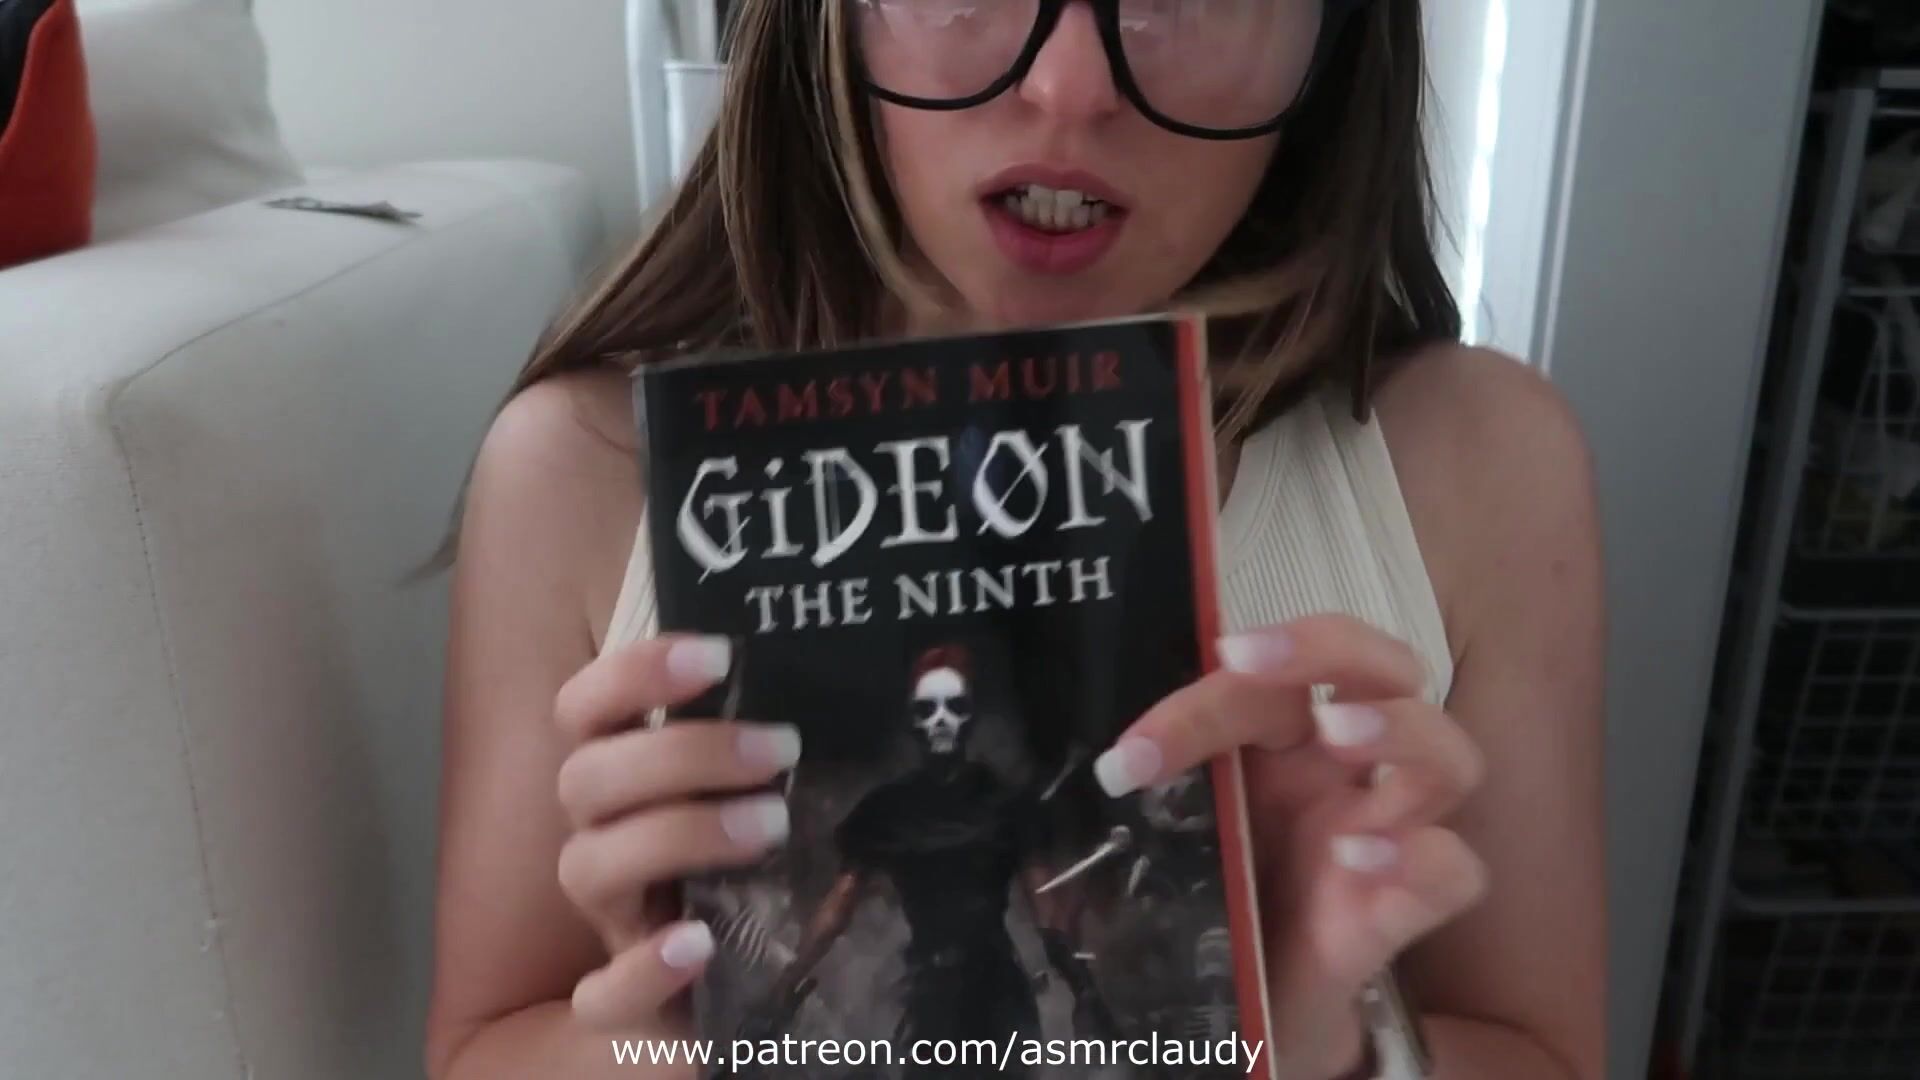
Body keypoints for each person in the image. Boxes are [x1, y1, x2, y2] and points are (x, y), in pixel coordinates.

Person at [421, 0, 1609, 1077]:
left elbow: (1541, 1051)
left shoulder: (1471, 466)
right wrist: (673, 1043)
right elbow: (484, 1048)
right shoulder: (584, 475)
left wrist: (1309, 1040)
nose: (1069, 86)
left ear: (1342, 39)